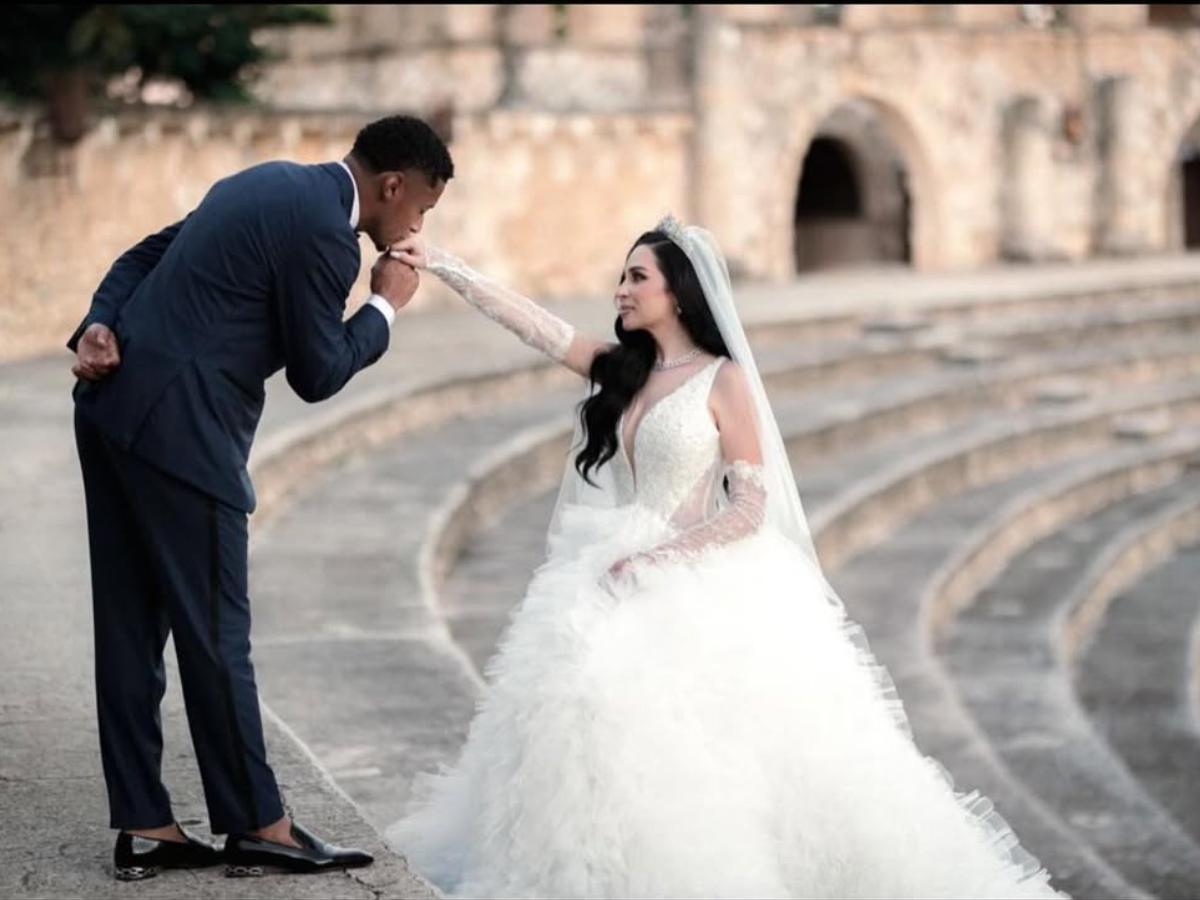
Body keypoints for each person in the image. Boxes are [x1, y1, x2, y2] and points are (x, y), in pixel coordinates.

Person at [382, 217, 1069, 899]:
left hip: (690, 576)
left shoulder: (724, 380)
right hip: (608, 564)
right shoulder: (625, 370)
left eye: (637, 277)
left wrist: (659, 559)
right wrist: (445, 265)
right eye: (622, 276)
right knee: (577, 711)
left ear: (677, 292)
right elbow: (534, 324)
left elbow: (747, 508)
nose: (621, 289)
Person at [69, 115, 452, 880]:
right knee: (216, 634)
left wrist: (99, 320)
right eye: (423, 210)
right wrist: (385, 307)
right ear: (392, 187)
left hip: (111, 413)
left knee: (129, 627)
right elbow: (318, 373)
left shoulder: (269, 179)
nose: (417, 225)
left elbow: (145, 253)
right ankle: (258, 825)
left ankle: (146, 823)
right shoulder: (328, 239)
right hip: (182, 440)